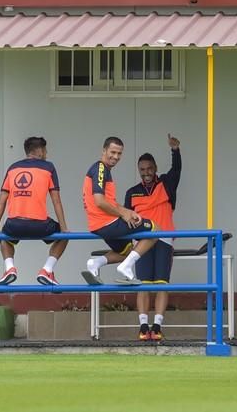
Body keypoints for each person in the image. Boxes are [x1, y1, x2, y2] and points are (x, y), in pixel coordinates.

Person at [125, 134, 181, 341]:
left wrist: (175, 151)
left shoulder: (166, 184)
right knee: (143, 283)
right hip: (141, 242)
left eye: (149, 169)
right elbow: (127, 219)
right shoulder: (132, 192)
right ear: (139, 171)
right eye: (142, 170)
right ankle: (143, 326)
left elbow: (177, 171)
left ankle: (157, 325)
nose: (146, 173)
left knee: (161, 283)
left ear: (155, 168)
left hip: (164, 239)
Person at [0, 137, 68, 286]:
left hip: (14, 225)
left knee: (4, 236)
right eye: (45, 150)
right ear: (39, 151)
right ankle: (47, 270)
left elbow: (2, 199)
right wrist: (64, 228)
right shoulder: (48, 167)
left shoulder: (13, 168)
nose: (46, 153)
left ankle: (9, 268)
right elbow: (56, 200)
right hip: (40, 225)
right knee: (63, 237)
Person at [82, 136, 158, 285]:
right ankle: (126, 267)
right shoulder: (100, 168)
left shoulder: (102, 169)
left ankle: (95, 263)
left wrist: (127, 212)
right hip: (107, 223)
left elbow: (109, 202)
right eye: (113, 152)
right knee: (155, 230)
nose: (116, 157)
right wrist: (124, 213)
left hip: (98, 225)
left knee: (126, 252)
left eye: (119, 154)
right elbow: (100, 201)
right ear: (104, 150)